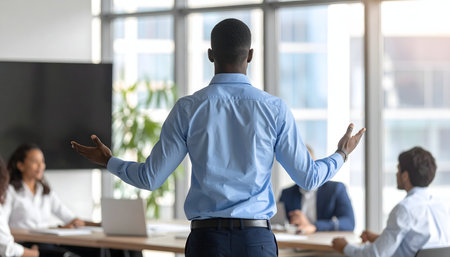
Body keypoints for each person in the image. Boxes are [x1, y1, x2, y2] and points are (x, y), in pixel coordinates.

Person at [71, 18, 366, 257]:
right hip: (257, 242)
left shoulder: (188, 108)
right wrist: (342, 153)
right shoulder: (274, 109)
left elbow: (150, 178)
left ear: (210, 55)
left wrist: (109, 161)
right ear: (250, 55)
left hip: (206, 242)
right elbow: (309, 178)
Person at [332, 146, 450, 257]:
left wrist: (345, 247)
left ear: (405, 175)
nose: (396, 174)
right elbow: (421, 244)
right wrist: (381, 239)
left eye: (398, 169)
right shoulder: (442, 205)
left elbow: (376, 255)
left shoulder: (405, 209)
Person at [279, 146, 355, 234]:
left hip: (324, 243)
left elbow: (349, 223)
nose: (304, 171)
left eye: (308, 165)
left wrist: (314, 226)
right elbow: (278, 222)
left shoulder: (336, 189)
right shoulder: (287, 193)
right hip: (296, 242)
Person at [0, 157, 39, 257]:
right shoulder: (11, 191)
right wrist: (34, 254)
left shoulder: (43, 189)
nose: (40, 166)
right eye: (35, 161)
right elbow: (5, 248)